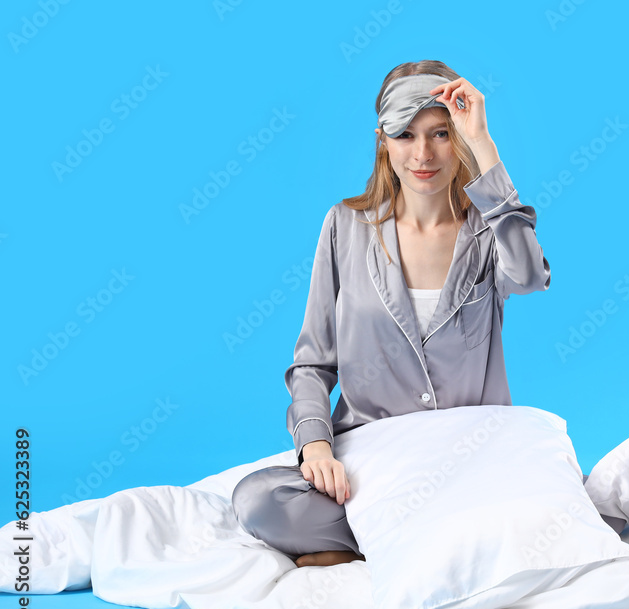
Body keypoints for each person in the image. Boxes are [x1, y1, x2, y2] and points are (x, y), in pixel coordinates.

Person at [230, 60, 552, 568]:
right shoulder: (344, 226)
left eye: (441, 134)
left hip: (472, 460)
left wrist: (486, 147)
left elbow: (529, 276)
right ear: (383, 139)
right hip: (373, 461)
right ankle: (437, 548)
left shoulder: (487, 229)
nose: (422, 154)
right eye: (404, 134)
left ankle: (386, 549)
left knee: (559, 507)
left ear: (460, 138)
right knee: (260, 501)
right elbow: (313, 363)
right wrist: (315, 446)